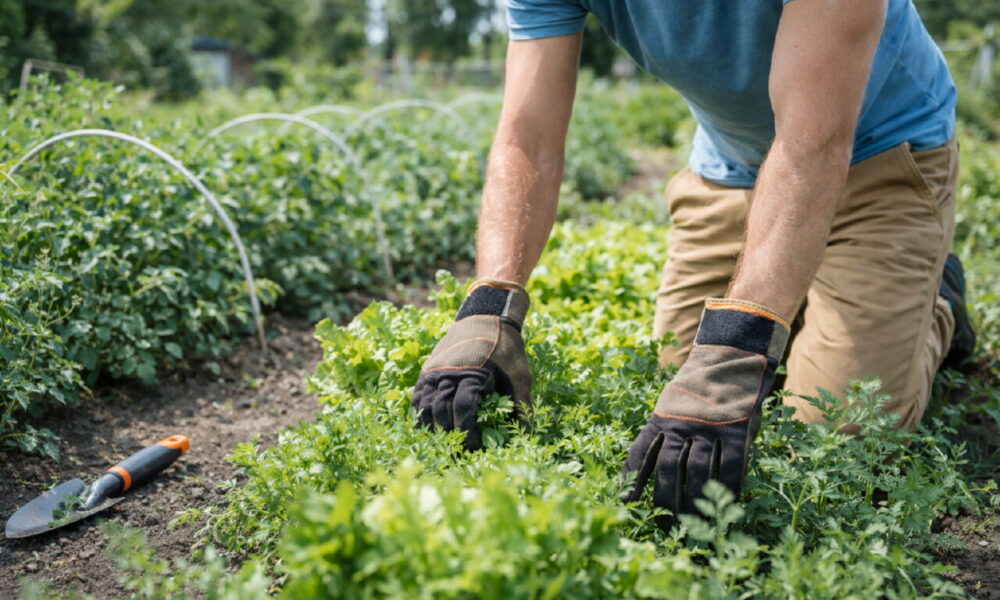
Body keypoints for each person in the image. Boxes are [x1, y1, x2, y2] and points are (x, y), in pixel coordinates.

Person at [409, 0, 977, 529]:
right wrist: (489, 306)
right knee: (678, 373)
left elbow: (815, 139)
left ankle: (939, 303)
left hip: (878, 155)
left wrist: (739, 343)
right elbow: (527, 138)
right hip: (730, 169)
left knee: (840, 437)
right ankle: (807, 303)